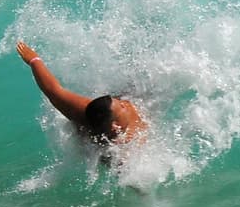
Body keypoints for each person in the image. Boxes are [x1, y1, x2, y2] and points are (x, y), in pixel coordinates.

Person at [16, 42, 146, 147]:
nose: (125, 103)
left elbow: (53, 91)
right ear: (115, 126)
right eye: (122, 107)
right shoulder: (128, 145)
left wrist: (33, 59)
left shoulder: (83, 111)